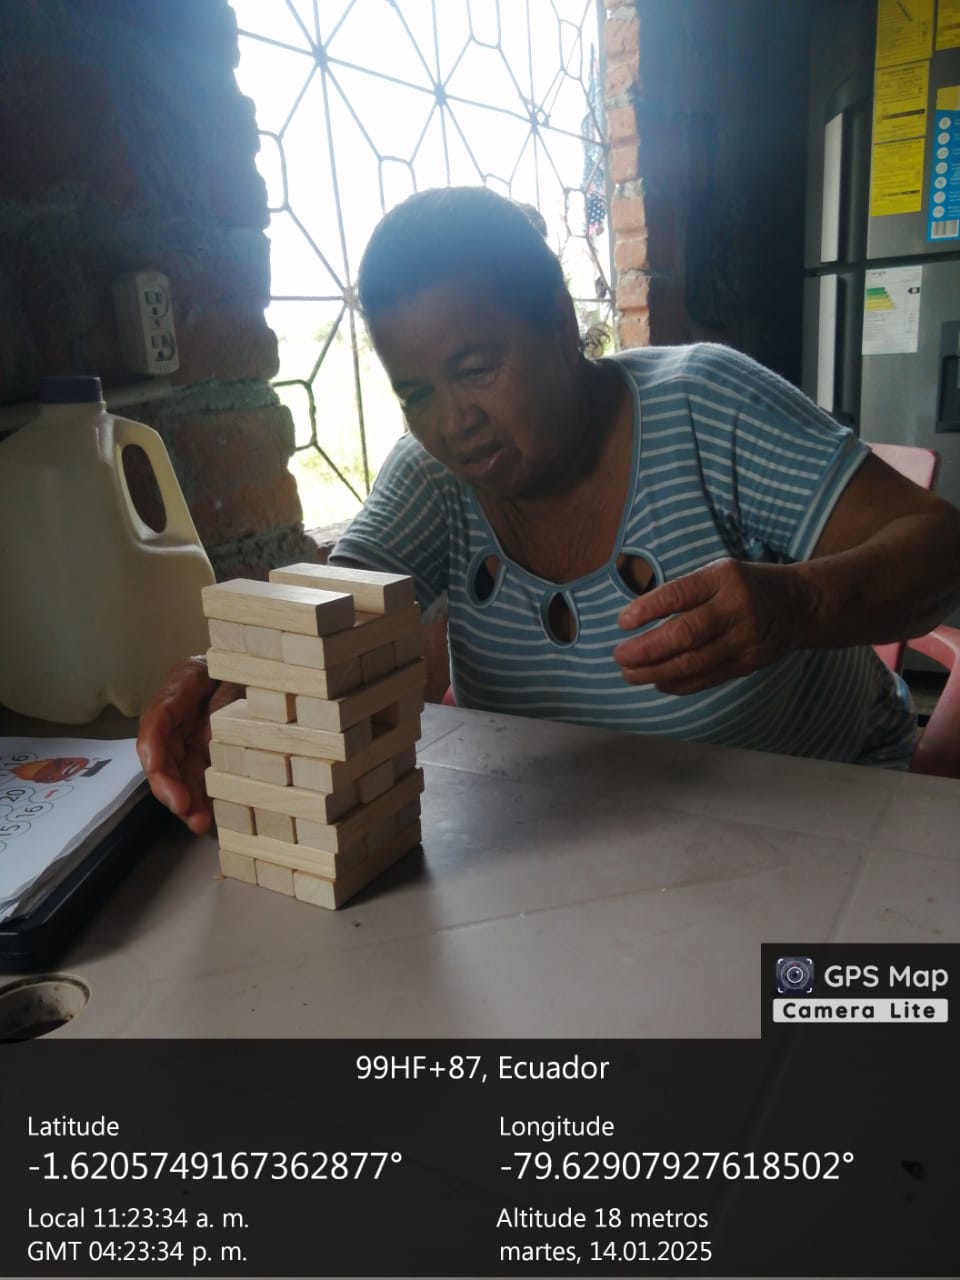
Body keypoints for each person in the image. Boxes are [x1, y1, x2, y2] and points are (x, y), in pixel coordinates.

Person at [138, 185, 960, 834]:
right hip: (595, 840)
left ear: (562, 326)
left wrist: (797, 605)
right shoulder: (435, 479)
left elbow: (938, 547)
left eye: (476, 369)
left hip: (829, 816)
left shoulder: (706, 407)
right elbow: (331, 601)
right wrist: (231, 666)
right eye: (416, 394)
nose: (453, 424)